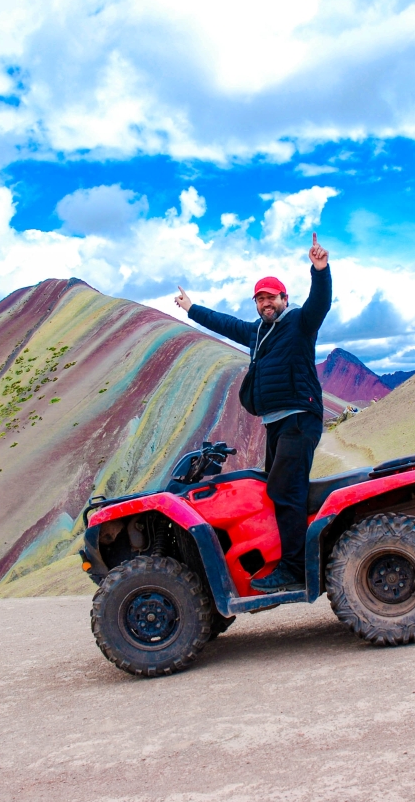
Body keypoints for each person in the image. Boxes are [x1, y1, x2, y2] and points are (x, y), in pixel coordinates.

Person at [173, 234, 331, 593]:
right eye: (259, 299)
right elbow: (226, 324)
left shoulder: (299, 323)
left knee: (284, 489)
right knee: (272, 489)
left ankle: (294, 569)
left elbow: (320, 304)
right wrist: (191, 308)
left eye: (270, 297)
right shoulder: (258, 331)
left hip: (300, 418)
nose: (265, 304)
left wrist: (320, 271)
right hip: (275, 423)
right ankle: (283, 554)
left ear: (283, 298)